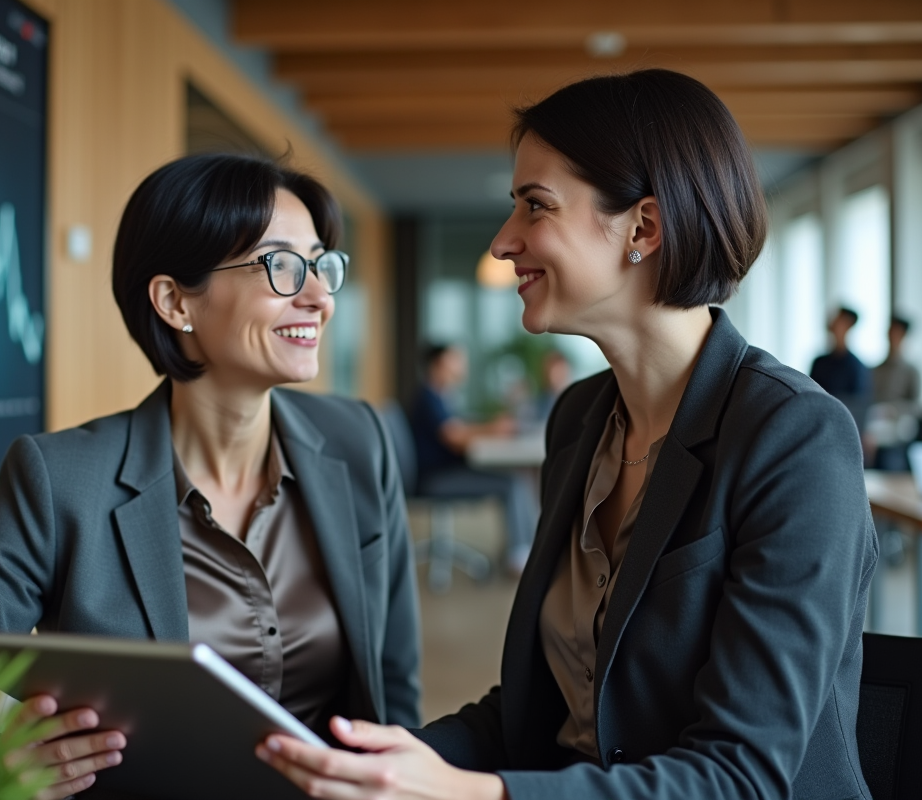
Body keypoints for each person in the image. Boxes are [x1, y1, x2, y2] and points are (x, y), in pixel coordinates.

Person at [257, 69, 876, 800]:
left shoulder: (794, 436)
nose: (503, 241)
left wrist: (472, 793)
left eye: (535, 205)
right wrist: (373, 760)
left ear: (643, 228)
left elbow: (740, 775)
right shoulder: (581, 419)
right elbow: (541, 716)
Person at [0, 154, 421, 799]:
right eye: (281, 266)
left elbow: (395, 686)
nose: (319, 297)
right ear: (176, 301)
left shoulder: (358, 441)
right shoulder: (63, 479)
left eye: (320, 265)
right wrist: (1, 752)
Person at [410, 344, 537, 572]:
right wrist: (492, 428)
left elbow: (459, 427)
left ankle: (525, 548)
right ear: (440, 363)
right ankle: (520, 556)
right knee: (512, 483)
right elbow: (454, 436)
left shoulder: (441, 396)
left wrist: (489, 427)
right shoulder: (428, 397)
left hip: (444, 471)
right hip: (435, 478)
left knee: (515, 479)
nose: (462, 365)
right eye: (455, 359)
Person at [810, 306, 872, 431]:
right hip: (817, 422)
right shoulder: (819, 362)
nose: (832, 321)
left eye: (838, 319)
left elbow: (858, 405)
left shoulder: (856, 367)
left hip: (842, 427)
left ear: (848, 325)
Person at [872, 314, 920, 410]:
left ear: (904, 335)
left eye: (897, 333)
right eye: (891, 331)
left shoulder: (911, 372)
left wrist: (893, 409)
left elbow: (915, 405)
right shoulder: (875, 370)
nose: (893, 336)